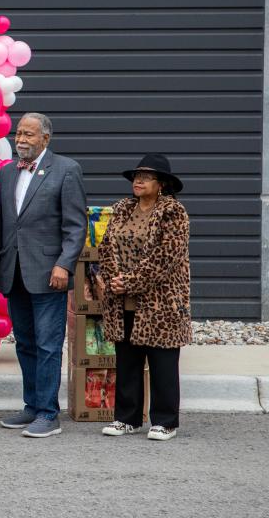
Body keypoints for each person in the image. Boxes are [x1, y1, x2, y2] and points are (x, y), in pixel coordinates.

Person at [0, 112, 86, 438]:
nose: (21, 140)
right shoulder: (7, 174)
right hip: (14, 273)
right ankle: (32, 406)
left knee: (48, 345)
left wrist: (64, 264)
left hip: (49, 273)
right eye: (19, 133)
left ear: (45, 139)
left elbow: (76, 227)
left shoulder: (66, 170)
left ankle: (49, 413)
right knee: (26, 344)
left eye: (29, 135)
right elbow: (5, 226)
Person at [95, 154, 191, 441]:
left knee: (162, 362)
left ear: (161, 184)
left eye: (146, 177)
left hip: (161, 300)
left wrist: (132, 282)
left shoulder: (173, 213)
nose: (138, 180)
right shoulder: (123, 208)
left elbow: (166, 257)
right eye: (137, 176)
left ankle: (165, 421)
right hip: (122, 296)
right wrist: (115, 279)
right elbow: (107, 246)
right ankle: (127, 418)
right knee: (127, 360)